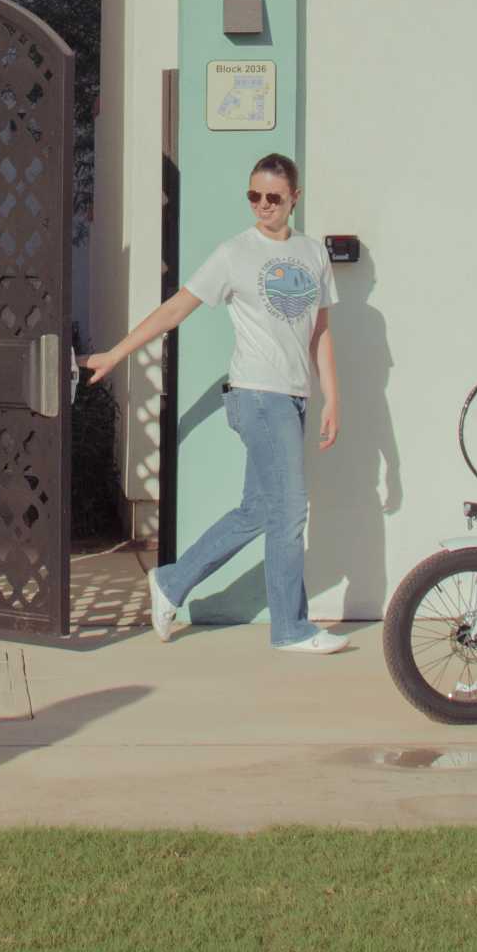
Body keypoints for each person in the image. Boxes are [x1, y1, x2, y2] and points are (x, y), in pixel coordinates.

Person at [81, 151, 349, 654]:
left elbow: (321, 334)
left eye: (273, 197)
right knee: (290, 511)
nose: (262, 205)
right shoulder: (235, 252)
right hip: (256, 395)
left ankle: (171, 582)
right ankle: (291, 628)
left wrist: (332, 397)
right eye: (254, 196)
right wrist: (116, 354)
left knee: (258, 510)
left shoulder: (313, 254)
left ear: (295, 197)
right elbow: (175, 309)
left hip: (293, 399)